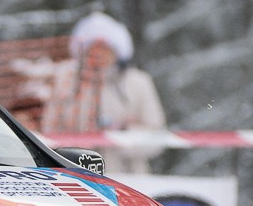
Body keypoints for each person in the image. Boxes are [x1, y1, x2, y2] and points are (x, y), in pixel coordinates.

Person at [39, 11, 165, 175]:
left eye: (104, 48)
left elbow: (157, 139)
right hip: (73, 177)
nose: (97, 54)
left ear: (117, 51)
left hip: (127, 180)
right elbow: (49, 131)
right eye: (92, 48)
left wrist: (121, 134)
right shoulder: (65, 81)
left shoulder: (138, 83)